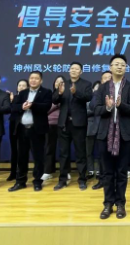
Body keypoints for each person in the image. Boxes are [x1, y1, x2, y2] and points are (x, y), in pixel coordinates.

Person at [95, 54, 130, 219]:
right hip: (105, 135)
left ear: (126, 68)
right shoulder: (102, 88)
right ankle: (108, 204)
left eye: (122, 64)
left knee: (121, 172)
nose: (120, 66)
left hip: (124, 135)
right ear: (110, 67)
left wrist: (121, 105)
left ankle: (120, 203)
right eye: (116, 64)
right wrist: (107, 108)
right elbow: (95, 108)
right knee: (107, 172)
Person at [9, 71, 53, 192]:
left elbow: (46, 106)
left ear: (41, 81)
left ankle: (37, 181)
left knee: (38, 158)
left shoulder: (46, 92)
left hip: (37, 130)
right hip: (22, 129)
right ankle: (20, 182)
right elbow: (13, 107)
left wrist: (32, 105)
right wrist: (21, 107)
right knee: (21, 157)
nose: (33, 80)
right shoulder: (23, 93)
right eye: (31, 78)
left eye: (36, 78)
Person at [52, 62, 93, 190]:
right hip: (64, 123)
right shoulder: (63, 83)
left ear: (81, 72)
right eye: (72, 68)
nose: (74, 70)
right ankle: (62, 180)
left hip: (79, 124)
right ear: (69, 70)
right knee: (63, 153)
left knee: (80, 153)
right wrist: (59, 93)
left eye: (77, 69)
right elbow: (54, 100)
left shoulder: (86, 84)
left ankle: (82, 179)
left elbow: (88, 97)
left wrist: (75, 93)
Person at [42, 75, 64, 182]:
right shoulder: (49, 95)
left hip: (63, 124)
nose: (59, 83)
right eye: (57, 81)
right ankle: (48, 171)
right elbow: (45, 109)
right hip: (50, 124)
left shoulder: (67, 95)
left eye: (61, 82)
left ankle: (65, 172)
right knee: (49, 148)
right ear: (54, 84)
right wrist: (56, 104)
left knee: (64, 149)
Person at [6, 79, 28, 181]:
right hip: (14, 124)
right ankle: (13, 172)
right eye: (19, 85)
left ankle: (22, 173)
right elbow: (10, 109)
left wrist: (15, 104)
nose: (21, 87)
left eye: (24, 85)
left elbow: (19, 108)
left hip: (25, 125)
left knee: (23, 150)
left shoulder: (29, 98)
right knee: (14, 149)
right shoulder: (13, 98)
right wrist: (11, 101)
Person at [86, 80, 103, 189]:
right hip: (89, 128)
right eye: (96, 88)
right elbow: (86, 111)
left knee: (100, 152)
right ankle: (90, 170)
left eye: (99, 88)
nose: (97, 90)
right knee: (89, 151)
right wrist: (97, 110)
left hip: (101, 128)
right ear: (92, 89)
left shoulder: (104, 99)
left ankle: (99, 171)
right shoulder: (88, 99)